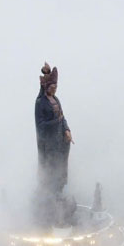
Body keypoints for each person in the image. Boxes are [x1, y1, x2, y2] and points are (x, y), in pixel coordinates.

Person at [35, 63, 72, 202]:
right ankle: (49, 198)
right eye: (52, 87)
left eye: (56, 87)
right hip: (49, 144)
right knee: (51, 168)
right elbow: (41, 125)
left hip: (60, 141)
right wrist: (56, 122)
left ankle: (59, 192)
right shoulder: (40, 103)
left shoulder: (56, 100)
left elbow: (63, 117)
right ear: (46, 87)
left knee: (61, 167)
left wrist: (67, 130)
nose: (54, 90)